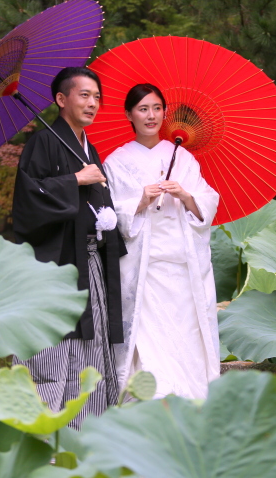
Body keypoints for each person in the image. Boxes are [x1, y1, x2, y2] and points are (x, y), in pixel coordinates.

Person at [11, 67, 126, 428]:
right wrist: (75, 179)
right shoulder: (43, 142)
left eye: (96, 96)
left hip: (89, 262)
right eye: (84, 95)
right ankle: (45, 429)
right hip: (56, 269)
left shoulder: (87, 146)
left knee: (92, 343)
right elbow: (28, 201)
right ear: (61, 100)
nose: (93, 103)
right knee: (57, 341)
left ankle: (87, 429)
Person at [103, 83, 220, 399]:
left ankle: (191, 398)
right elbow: (110, 212)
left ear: (166, 113)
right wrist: (139, 201)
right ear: (130, 114)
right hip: (143, 269)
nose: (151, 115)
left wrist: (185, 194)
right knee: (145, 335)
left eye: (156, 108)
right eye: (143, 109)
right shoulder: (116, 161)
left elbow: (207, 203)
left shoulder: (182, 157)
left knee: (187, 331)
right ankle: (149, 402)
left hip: (182, 267)